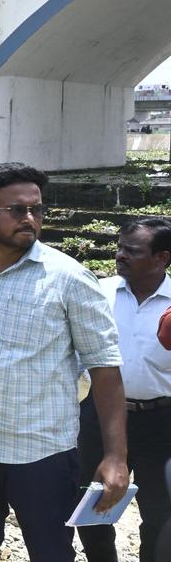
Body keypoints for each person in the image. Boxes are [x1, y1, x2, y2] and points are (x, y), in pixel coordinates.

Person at [0, 162, 128, 562]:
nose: (30, 219)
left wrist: (115, 457)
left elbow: (105, 371)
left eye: (36, 209)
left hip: (41, 453)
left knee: (51, 552)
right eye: (16, 210)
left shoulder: (69, 278)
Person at [78, 217, 171, 562]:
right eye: (119, 247)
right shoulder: (97, 293)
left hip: (161, 422)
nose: (120, 255)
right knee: (93, 503)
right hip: (99, 416)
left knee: (161, 514)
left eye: (132, 250)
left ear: (161, 258)